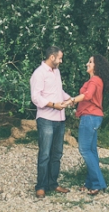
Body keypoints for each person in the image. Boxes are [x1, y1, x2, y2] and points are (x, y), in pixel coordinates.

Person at [65, 54, 109, 195]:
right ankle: (91, 183)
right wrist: (72, 100)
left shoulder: (94, 81)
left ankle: (98, 184)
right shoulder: (96, 80)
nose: (87, 64)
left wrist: (71, 100)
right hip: (94, 117)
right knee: (91, 151)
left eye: (90, 62)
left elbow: (87, 96)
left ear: (96, 66)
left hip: (90, 117)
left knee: (85, 150)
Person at [29, 46, 72, 199]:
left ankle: (53, 183)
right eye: (59, 58)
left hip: (60, 119)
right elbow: (36, 97)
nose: (61, 61)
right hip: (46, 119)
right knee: (45, 154)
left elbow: (58, 92)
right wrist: (53, 105)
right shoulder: (39, 73)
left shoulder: (57, 72)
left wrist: (68, 98)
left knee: (57, 154)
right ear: (52, 57)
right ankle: (40, 186)